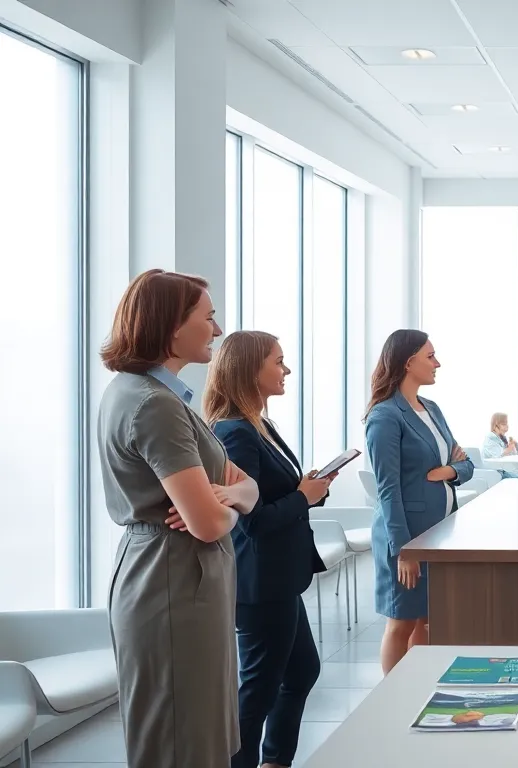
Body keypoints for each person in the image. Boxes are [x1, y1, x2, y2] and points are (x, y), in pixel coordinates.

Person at [96, 269, 259, 768]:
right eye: (207, 318)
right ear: (172, 329)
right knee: (180, 739)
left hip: (179, 575)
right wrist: (226, 506)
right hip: (172, 579)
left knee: (198, 729)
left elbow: (245, 486)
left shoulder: (154, 396)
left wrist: (230, 498)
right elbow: (208, 523)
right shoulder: (154, 406)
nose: (216, 329)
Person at [202, 331, 330, 768]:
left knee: (301, 672)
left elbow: (272, 493)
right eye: (278, 362)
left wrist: (307, 489)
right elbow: (251, 521)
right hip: (259, 583)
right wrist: (303, 498)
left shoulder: (259, 424)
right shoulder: (234, 432)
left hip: (280, 578)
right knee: (257, 691)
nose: (286, 370)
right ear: (248, 369)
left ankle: (275, 760)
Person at [364, 330, 475, 674]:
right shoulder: (385, 416)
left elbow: (466, 464)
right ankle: (391, 700)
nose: (437, 363)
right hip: (407, 538)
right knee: (402, 623)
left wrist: (447, 472)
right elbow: (388, 491)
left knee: (428, 622)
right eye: (430, 356)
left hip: (438, 536)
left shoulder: (433, 409)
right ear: (408, 362)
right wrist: (404, 551)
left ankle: (416, 689)